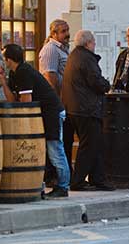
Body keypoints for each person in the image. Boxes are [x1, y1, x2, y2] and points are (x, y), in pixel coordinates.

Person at [0, 44, 71, 198]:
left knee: (55, 148)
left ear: (9, 59)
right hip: (42, 114)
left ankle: (63, 186)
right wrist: (3, 81)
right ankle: (50, 183)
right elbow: (12, 99)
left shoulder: (24, 72)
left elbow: (26, 102)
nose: (4, 61)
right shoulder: (15, 73)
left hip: (52, 112)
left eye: (5, 58)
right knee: (46, 149)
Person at [62, 30, 114, 191]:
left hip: (74, 107)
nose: (94, 45)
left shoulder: (74, 55)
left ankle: (98, 178)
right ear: (88, 43)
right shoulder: (87, 58)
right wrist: (107, 85)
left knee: (94, 144)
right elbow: (96, 81)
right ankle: (77, 181)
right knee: (89, 145)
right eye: (93, 43)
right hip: (86, 108)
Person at [39, 19, 73, 182]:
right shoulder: (50, 50)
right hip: (57, 102)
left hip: (65, 100)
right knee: (56, 140)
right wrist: (58, 100)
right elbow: (50, 76)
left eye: (67, 30)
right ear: (53, 33)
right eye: (63, 31)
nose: (67, 34)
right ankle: (56, 178)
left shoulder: (63, 49)